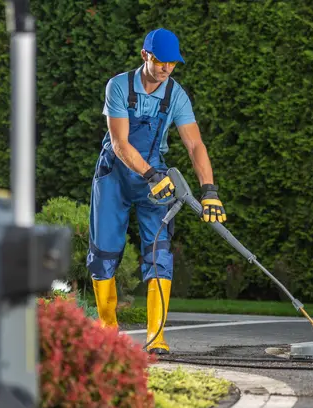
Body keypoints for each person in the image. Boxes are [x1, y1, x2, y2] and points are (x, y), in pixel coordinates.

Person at [86, 28, 226, 355]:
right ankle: (107, 330)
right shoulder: (119, 86)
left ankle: (156, 338)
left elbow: (194, 144)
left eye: (172, 64)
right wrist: (148, 174)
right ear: (145, 55)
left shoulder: (175, 94)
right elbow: (120, 143)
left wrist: (210, 190)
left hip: (155, 177)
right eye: (161, 61)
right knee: (105, 251)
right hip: (115, 176)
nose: (166, 69)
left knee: (160, 255)